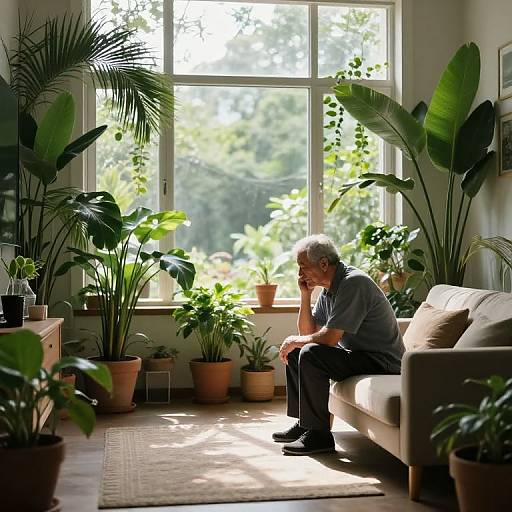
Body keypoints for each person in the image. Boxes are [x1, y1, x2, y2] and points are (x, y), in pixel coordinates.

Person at [273, 234, 405, 455]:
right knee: (299, 351)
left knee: (310, 352)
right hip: (360, 356)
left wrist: (297, 341)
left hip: (383, 362)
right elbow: (307, 332)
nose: (300, 273)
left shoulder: (353, 283)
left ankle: (320, 436)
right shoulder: (329, 289)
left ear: (323, 263)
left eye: (303, 267)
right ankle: (306, 425)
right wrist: (305, 296)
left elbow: (330, 338)